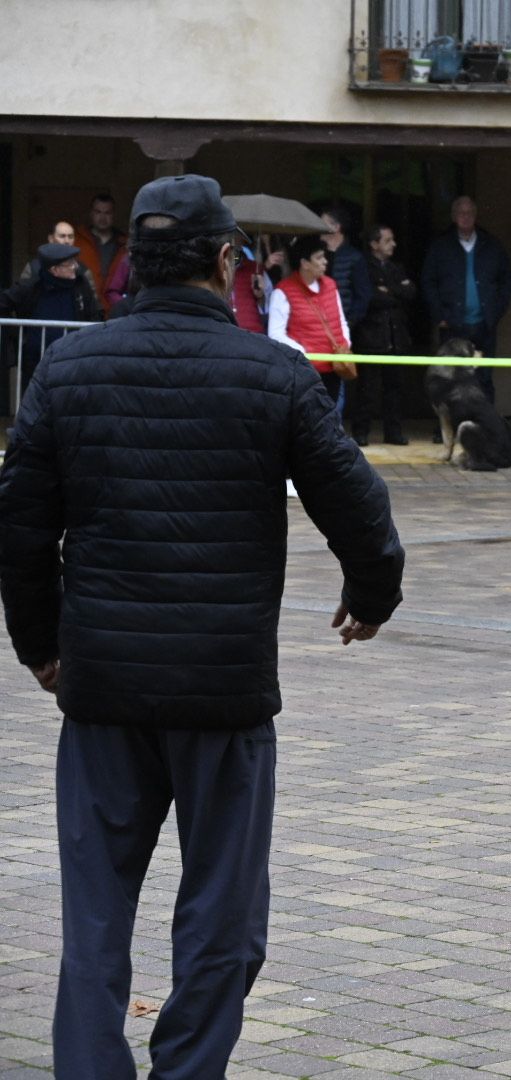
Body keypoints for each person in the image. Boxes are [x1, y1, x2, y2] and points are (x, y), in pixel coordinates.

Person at [0, 172, 404, 1080]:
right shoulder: (271, 373)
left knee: (96, 916)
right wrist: (370, 596)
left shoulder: (68, 367)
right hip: (223, 693)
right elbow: (361, 508)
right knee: (222, 917)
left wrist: (41, 647)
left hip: (101, 685)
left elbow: (19, 530)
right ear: (227, 262)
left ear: (136, 266)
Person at [420, 195, 511, 404]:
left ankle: (485, 426)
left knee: (484, 377)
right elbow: (428, 281)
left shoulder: (491, 245)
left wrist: (496, 311)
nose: (466, 217)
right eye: (461, 213)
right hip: (452, 323)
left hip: (484, 324)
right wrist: (439, 315)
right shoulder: (441, 246)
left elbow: (507, 280)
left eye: (470, 212)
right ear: (453, 217)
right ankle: (447, 427)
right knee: (449, 377)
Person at [0, 243, 102, 394]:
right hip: (35, 362)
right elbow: (3, 304)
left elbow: (95, 315)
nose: (75, 266)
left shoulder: (81, 285)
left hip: (73, 360)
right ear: (54, 270)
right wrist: (18, 335)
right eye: (70, 263)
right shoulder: (31, 287)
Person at [269, 234, 352, 405]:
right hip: (304, 371)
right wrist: (303, 352)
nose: (325, 262)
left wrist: (345, 344)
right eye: (319, 258)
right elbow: (275, 333)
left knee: (332, 414)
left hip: (334, 366)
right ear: (304, 263)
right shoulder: (283, 291)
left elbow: (341, 321)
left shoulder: (331, 285)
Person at [351, 224, 415, 445]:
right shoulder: (363, 267)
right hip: (371, 336)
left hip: (396, 337)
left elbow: (411, 292)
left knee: (395, 389)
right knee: (367, 390)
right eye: (388, 240)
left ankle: (393, 432)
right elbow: (370, 298)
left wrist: (389, 289)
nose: (393, 244)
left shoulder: (396, 267)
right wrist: (393, 291)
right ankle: (361, 432)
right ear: (374, 244)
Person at [75, 193, 130, 313]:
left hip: (114, 310)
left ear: (114, 215)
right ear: (91, 213)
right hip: (84, 308)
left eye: (107, 213)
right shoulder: (77, 241)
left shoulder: (125, 244)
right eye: (98, 212)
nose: (102, 217)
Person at [320, 207, 372, 330]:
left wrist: (349, 322)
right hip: (319, 322)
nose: (318, 227)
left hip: (344, 324)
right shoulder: (317, 254)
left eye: (322, 223)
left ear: (336, 227)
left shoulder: (354, 257)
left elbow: (363, 295)